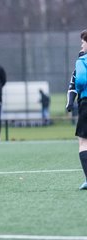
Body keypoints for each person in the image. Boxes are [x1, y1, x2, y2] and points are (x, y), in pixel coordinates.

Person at [67, 29, 87, 190]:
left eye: (83, 42)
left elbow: (79, 81)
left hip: (86, 103)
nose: (81, 44)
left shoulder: (82, 61)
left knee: (83, 142)